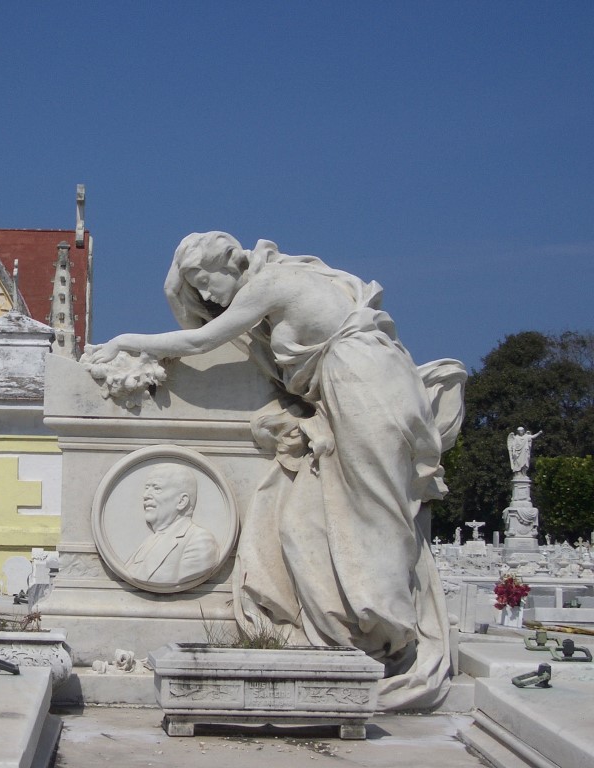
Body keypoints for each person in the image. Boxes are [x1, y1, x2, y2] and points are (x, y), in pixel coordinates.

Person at [89, 232, 466, 710]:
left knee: (377, 513)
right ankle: (362, 624)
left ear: (233, 260)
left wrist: (124, 340)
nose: (205, 297)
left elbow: (202, 338)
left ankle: (387, 630)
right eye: (196, 289)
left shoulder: (272, 283)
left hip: (364, 386)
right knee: (324, 518)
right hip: (351, 388)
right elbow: (205, 323)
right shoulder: (272, 289)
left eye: (207, 282)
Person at [123, 464, 220, 585]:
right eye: (147, 488)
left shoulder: (199, 541)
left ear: (182, 501)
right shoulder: (149, 541)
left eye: (157, 488)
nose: (145, 496)